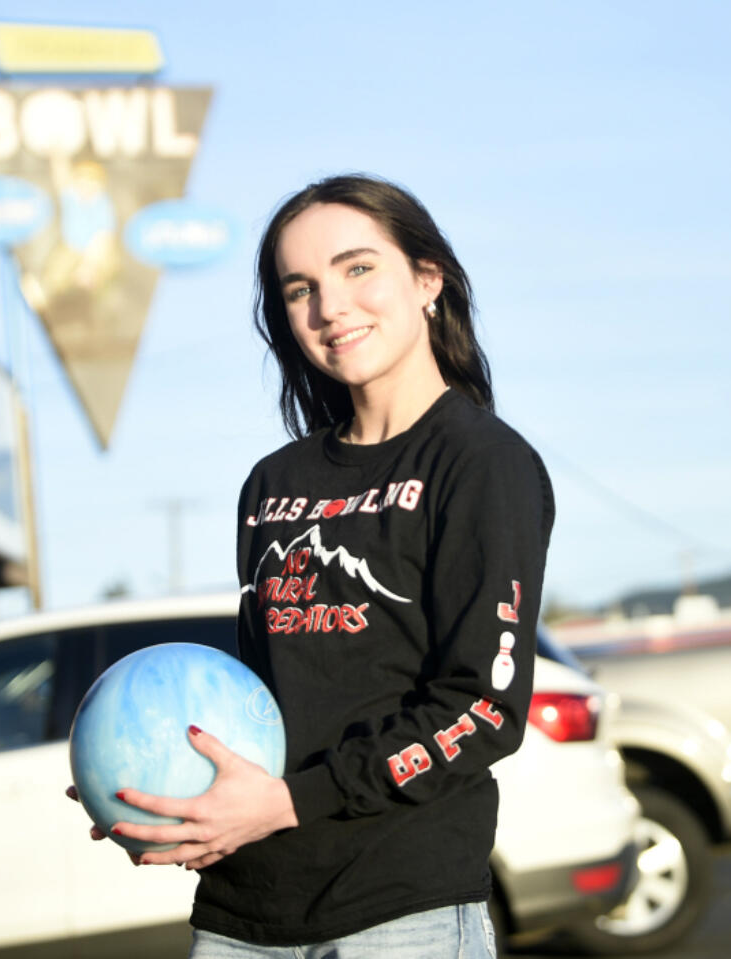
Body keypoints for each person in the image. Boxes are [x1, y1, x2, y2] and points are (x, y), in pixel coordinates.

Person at [78, 173, 555, 958]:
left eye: (357, 268)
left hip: (402, 908)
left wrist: (289, 801)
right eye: (300, 287)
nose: (330, 306)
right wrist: (152, 774)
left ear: (427, 279)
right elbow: (261, 699)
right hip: (243, 913)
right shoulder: (274, 484)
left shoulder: (482, 463)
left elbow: (481, 711)